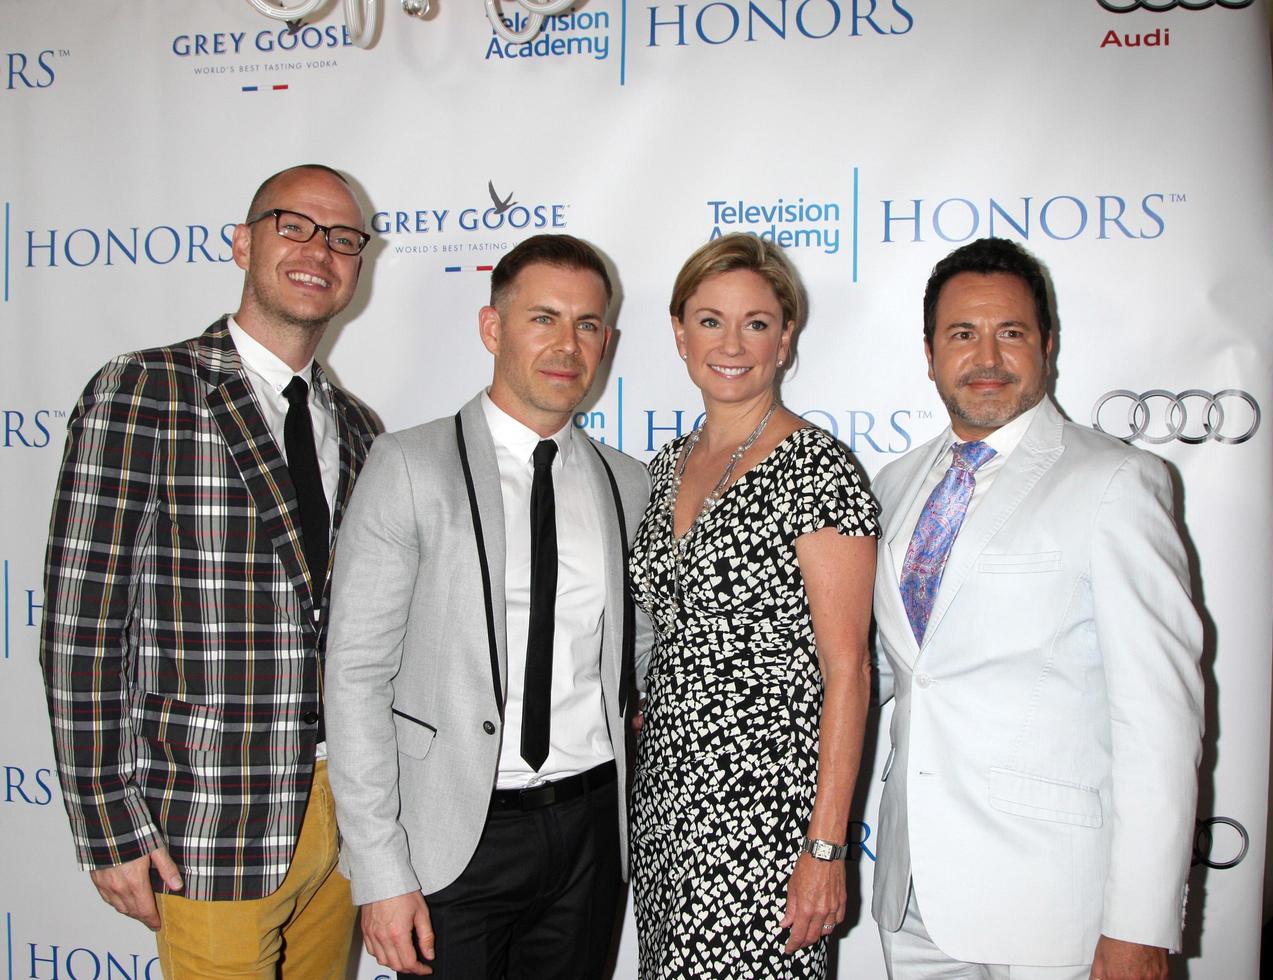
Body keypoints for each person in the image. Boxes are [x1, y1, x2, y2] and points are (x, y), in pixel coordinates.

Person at [39, 164, 381, 978]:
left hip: (343, 820)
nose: (318, 250)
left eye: (342, 238)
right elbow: (82, 625)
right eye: (292, 225)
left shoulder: (361, 428)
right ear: (243, 240)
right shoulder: (145, 389)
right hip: (207, 819)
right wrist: (107, 825)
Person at [870, 237, 1205, 980]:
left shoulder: (1117, 481)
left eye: (1010, 333)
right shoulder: (895, 485)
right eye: (962, 334)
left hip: (1056, 911)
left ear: (1048, 346)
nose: (986, 358)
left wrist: (1139, 925)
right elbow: (890, 672)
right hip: (913, 896)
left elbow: (1158, 716)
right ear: (928, 353)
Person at [324, 233, 652, 979]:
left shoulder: (627, 484)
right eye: (543, 318)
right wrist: (379, 868)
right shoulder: (409, 464)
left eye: (588, 324)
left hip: (590, 831)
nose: (568, 345)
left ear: (608, 341)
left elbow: (639, 655)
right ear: (492, 328)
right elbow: (355, 677)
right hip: (451, 840)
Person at [629, 233, 879, 979]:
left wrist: (826, 848)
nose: (731, 343)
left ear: (786, 337)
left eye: (757, 322)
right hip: (666, 806)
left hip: (764, 819)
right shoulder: (669, 463)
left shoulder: (819, 468)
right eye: (710, 321)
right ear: (679, 333)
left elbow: (849, 672)